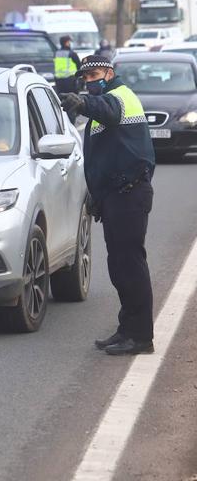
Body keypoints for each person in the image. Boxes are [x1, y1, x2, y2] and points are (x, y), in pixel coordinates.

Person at [60, 54, 156, 356]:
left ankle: (141, 337)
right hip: (116, 195)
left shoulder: (120, 96)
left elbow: (110, 112)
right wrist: (98, 194)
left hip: (129, 193)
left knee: (130, 266)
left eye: (95, 76)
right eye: (85, 79)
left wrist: (83, 103)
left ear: (110, 73)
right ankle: (126, 329)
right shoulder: (106, 102)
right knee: (119, 267)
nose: (90, 82)